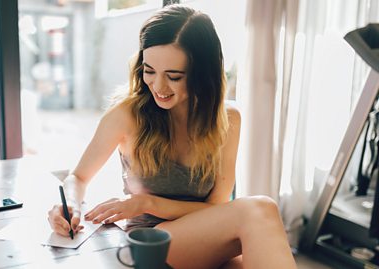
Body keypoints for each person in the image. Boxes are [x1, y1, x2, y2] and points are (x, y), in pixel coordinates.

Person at [48, 4, 297, 269]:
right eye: (149, 71)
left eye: (174, 76)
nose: (158, 86)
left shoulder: (228, 118)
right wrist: (69, 205)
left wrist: (147, 202)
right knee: (259, 210)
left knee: (260, 230)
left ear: (203, 75)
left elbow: (216, 207)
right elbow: (79, 177)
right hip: (151, 243)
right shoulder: (128, 114)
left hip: (204, 239)